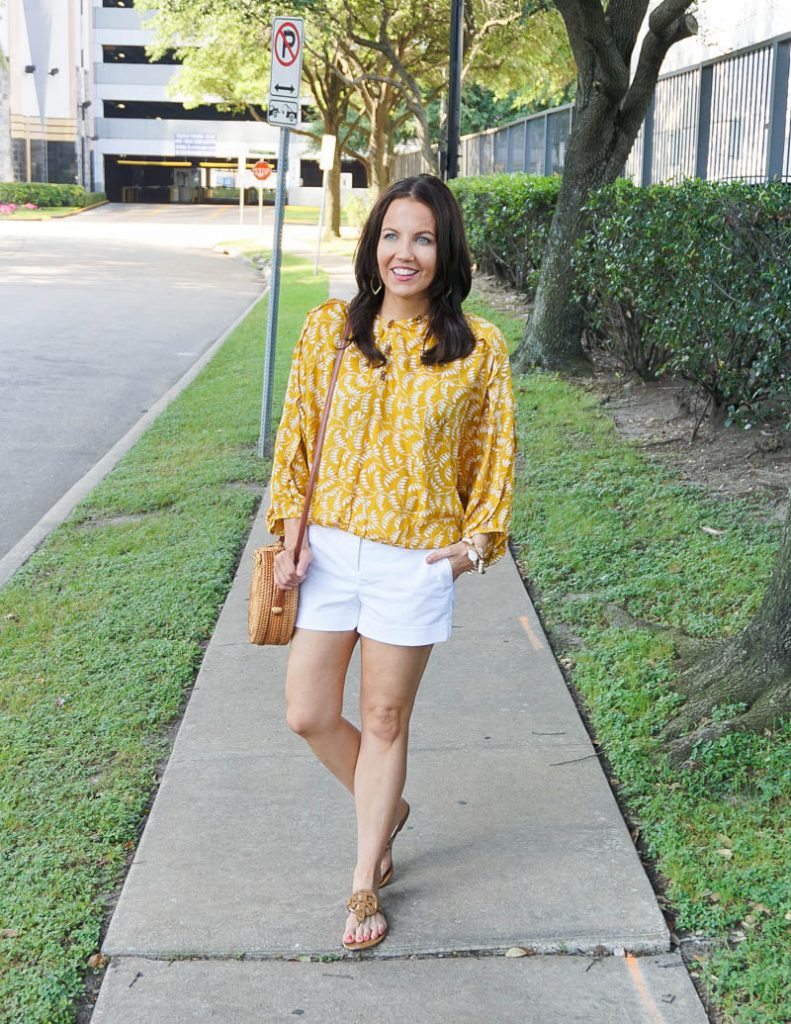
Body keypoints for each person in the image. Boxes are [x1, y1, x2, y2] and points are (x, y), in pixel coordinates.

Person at [266, 173, 516, 951]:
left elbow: (493, 455)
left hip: (415, 558)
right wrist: (286, 533)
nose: (403, 253)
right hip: (330, 553)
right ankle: (391, 807)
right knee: (307, 711)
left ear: (446, 253)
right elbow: (296, 437)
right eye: (391, 236)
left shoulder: (477, 349)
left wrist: (473, 547)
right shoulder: (328, 330)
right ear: (373, 246)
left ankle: (363, 879)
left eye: (422, 238)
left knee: (382, 718)